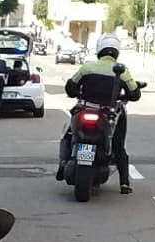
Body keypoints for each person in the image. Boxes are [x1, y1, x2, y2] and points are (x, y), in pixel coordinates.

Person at [58, 33, 141, 194]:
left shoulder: (88, 67)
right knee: (118, 144)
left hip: (84, 109)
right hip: (108, 113)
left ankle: (62, 165)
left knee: (68, 134)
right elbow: (135, 94)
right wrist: (126, 95)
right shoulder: (122, 71)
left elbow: (70, 87)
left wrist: (75, 92)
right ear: (116, 51)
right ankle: (124, 183)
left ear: (99, 50)